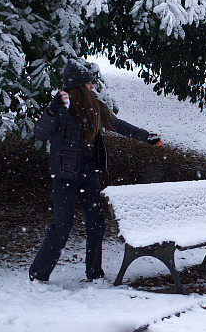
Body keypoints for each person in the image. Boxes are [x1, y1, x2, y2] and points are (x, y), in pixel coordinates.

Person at [29, 59, 162, 283]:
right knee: (62, 225)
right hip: (64, 175)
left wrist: (145, 136)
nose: (93, 87)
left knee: (96, 222)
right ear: (80, 86)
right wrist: (51, 110)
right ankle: (38, 273)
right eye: (89, 84)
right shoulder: (60, 108)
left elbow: (118, 125)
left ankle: (94, 273)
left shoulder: (94, 107)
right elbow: (40, 134)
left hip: (88, 173)